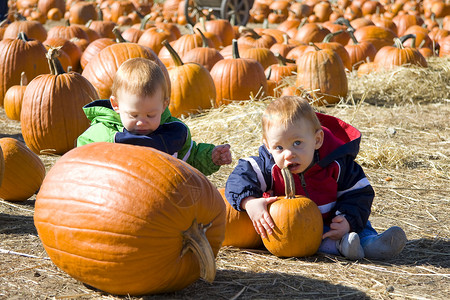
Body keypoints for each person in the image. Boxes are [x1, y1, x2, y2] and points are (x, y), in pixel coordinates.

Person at [225, 96, 407, 260]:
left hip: (334, 221)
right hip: (296, 230)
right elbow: (239, 178)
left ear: (317, 140)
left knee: (361, 226)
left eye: (297, 143)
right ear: (268, 146)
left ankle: (372, 244)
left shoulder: (336, 163)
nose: (288, 154)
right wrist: (249, 202)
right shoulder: (268, 166)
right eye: (279, 147)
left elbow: (360, 194)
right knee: (310, 240)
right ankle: (343, 247)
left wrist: (348, 220)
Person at [77, 57, 232, 176]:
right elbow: (80, 163)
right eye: (134, 115)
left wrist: (210, 157)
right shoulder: (101, 136)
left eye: (151, 115)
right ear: (116, 105)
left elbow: (189, 160)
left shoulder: (172, 132)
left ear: (164, 105)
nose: (142, 122)